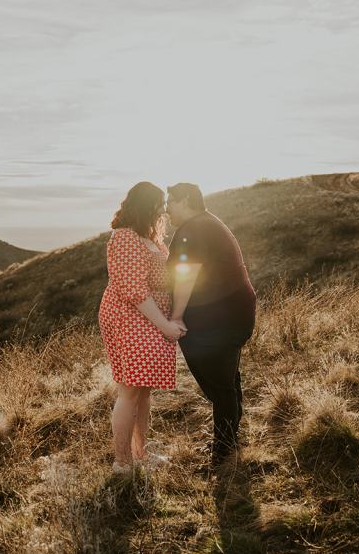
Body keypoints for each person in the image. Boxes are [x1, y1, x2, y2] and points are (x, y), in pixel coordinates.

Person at [99, 182, 187, 476]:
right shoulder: (125, 237)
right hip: (130, 316)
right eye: (159, 204)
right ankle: (122, 462)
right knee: (130, 390)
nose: (163, 210)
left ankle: (141, 453)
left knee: (144, 390)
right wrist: (165, 326)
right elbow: (134, 290)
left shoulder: (150, 238)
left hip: (150, 317)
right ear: (145, 205)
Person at [166, 182, 256, 468]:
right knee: (226, 381)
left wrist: (176, 316)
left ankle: (224, 454)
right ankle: (230, 442)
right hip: (230, 314)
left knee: (220, 387)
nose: (167, 209)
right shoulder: (206, 223)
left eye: (170, 202)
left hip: (220, 319)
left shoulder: (194, 229)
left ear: (185, 200)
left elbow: (186, 275)